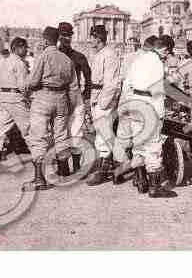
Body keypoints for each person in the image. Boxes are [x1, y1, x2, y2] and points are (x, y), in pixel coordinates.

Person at [115, 36, 177, 198]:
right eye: (167, 53)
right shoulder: (157, 62)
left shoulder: (139, 59)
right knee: (153, 147)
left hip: (135, 104)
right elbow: (160, 88)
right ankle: (155, 187)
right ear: (164, 49)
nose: (166, 56)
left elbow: (127, 84)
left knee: (139, 144)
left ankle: (141, 181)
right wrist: (172, 80)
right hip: (150, 105)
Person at [24, 27, 80, 191]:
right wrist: (69, 104)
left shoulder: (43, 57)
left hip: (43, 98)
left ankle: (39, 178)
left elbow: (33, 81)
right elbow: (73, 85)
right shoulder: (66, 59)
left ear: (45, 40)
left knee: (38, 137)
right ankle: (64, 172)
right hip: (62, 99)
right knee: (61, 136)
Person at [85, 25, 122, 186]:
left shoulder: (110, 54)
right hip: (97, 96)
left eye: (92, 37)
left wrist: (103, 103)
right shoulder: (99, 54)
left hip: (103, 99)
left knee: (103, 134)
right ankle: (110, 166)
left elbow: (112, 83)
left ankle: (103, 170)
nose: (90, 40)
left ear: (98, 38)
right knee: (101, 132)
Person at [57, 22, 92, 174]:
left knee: (64, 132)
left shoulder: (54, 56)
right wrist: (86, 96)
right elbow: (89, 78)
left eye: (67, 35)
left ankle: (67, 167)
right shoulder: (78, 56)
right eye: (64, 35)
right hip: (71, 97)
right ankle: (72, 167)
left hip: (64, 97)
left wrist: (85, 96)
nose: (66, 38)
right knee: (72, 132)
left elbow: (88, 78)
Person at [0, 37, 31, 163]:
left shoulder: (3, 62)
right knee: (28, 127)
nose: (26, 50)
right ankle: (37, 153)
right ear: (17, 48)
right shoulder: (20, 64)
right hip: (16, 98)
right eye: (24, 47)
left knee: (2, 128)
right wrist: (28, 98)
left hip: (3, 97)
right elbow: (23, 86)